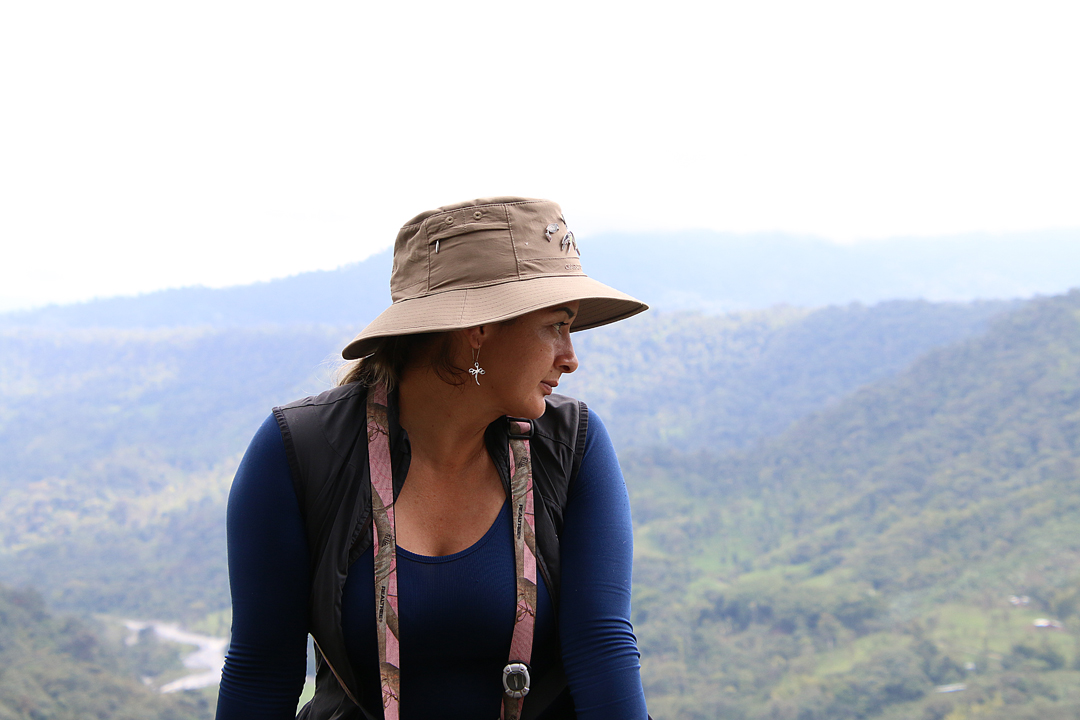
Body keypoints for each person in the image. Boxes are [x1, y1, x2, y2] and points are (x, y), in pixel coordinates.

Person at [216, 197, 651, 720]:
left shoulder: (568, 446)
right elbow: (261, 672)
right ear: (480, 330)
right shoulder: (302, 452)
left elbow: (602, 651)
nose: (571, 357)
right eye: (556, 325)